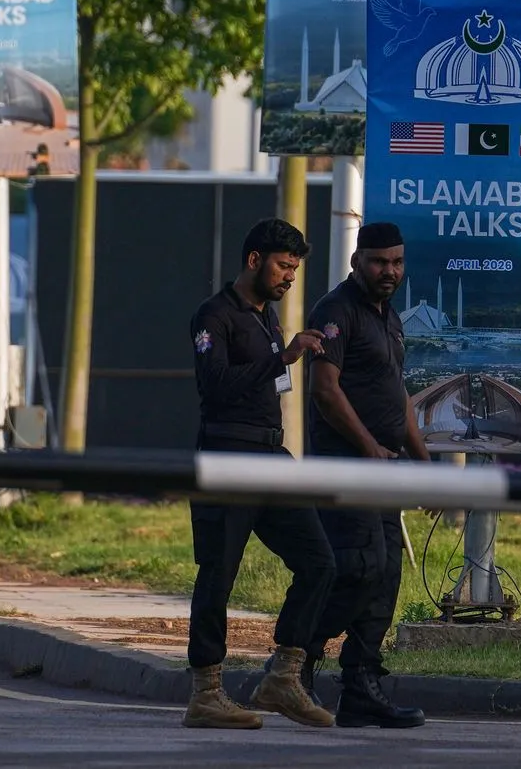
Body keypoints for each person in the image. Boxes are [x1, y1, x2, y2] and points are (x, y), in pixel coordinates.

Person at [183, 218, 337, 731]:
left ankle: (283, 676)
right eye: (283, 266)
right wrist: (282, 358)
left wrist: (281, 356)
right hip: (227, 456)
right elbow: (215, 385)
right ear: (254, 260)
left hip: (272, 455)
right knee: (218, 574)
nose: (290, 276)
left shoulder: (268, 318)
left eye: (295, 268)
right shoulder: (214, 315)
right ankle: (206, 692)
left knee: (319, 562)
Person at [302, 221, 432, 729]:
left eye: (397, 262)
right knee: (360, 568)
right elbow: (324, 389)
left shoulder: (390, 317)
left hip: (385, 470)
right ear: (357, 261)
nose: (389, 271)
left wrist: (424, 465)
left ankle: (360, 686)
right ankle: (295, 659)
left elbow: (398, 396)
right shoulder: (336, 310)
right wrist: (367, 446)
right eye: (379, 262)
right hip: (346, 467)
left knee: (386, 577)